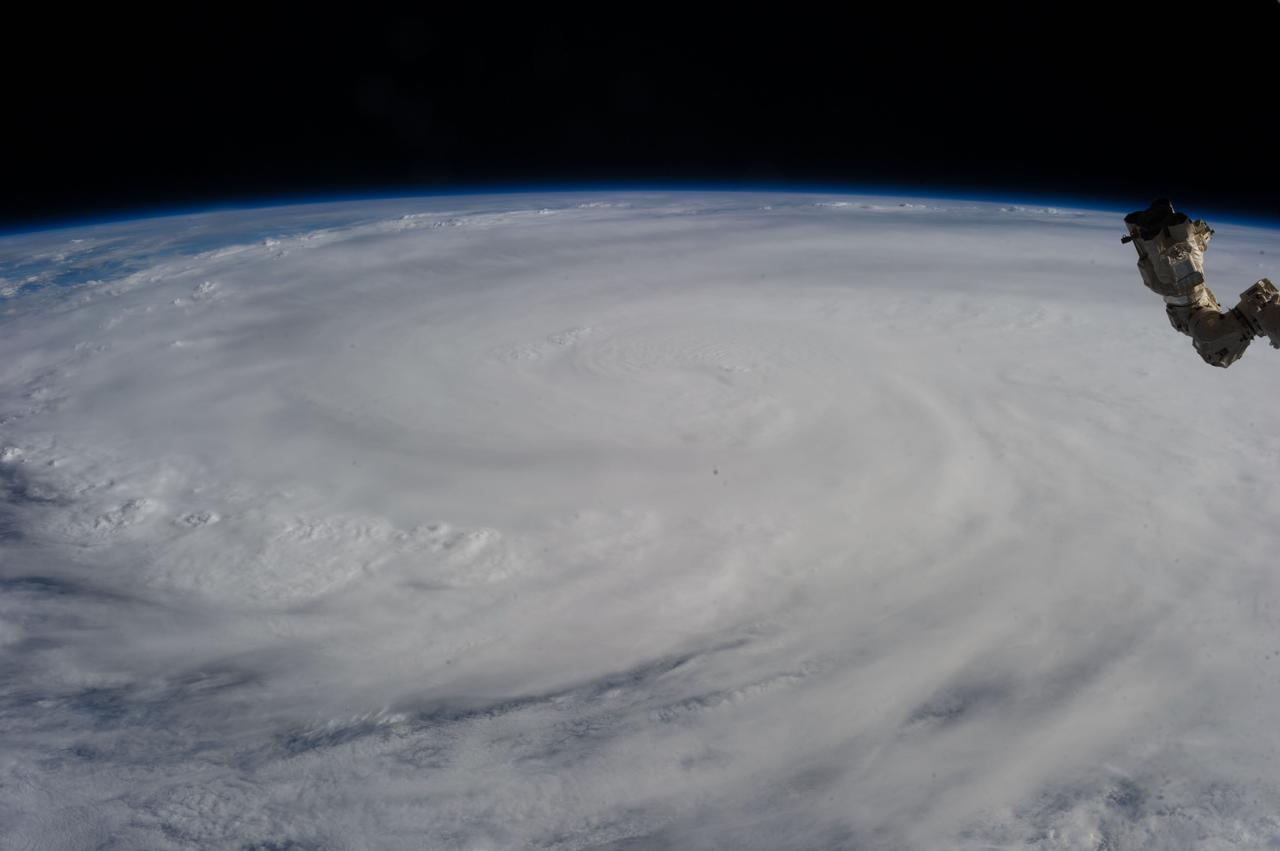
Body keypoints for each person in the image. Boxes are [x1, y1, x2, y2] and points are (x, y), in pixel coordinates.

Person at [1123, 198, 1280, 367]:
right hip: (1186, 299)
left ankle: (1155, 231)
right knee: (1178, 261)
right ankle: (1156, 232)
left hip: (1186, 296)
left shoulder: (1209, 331)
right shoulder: (1207, 329)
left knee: (1178, 266)